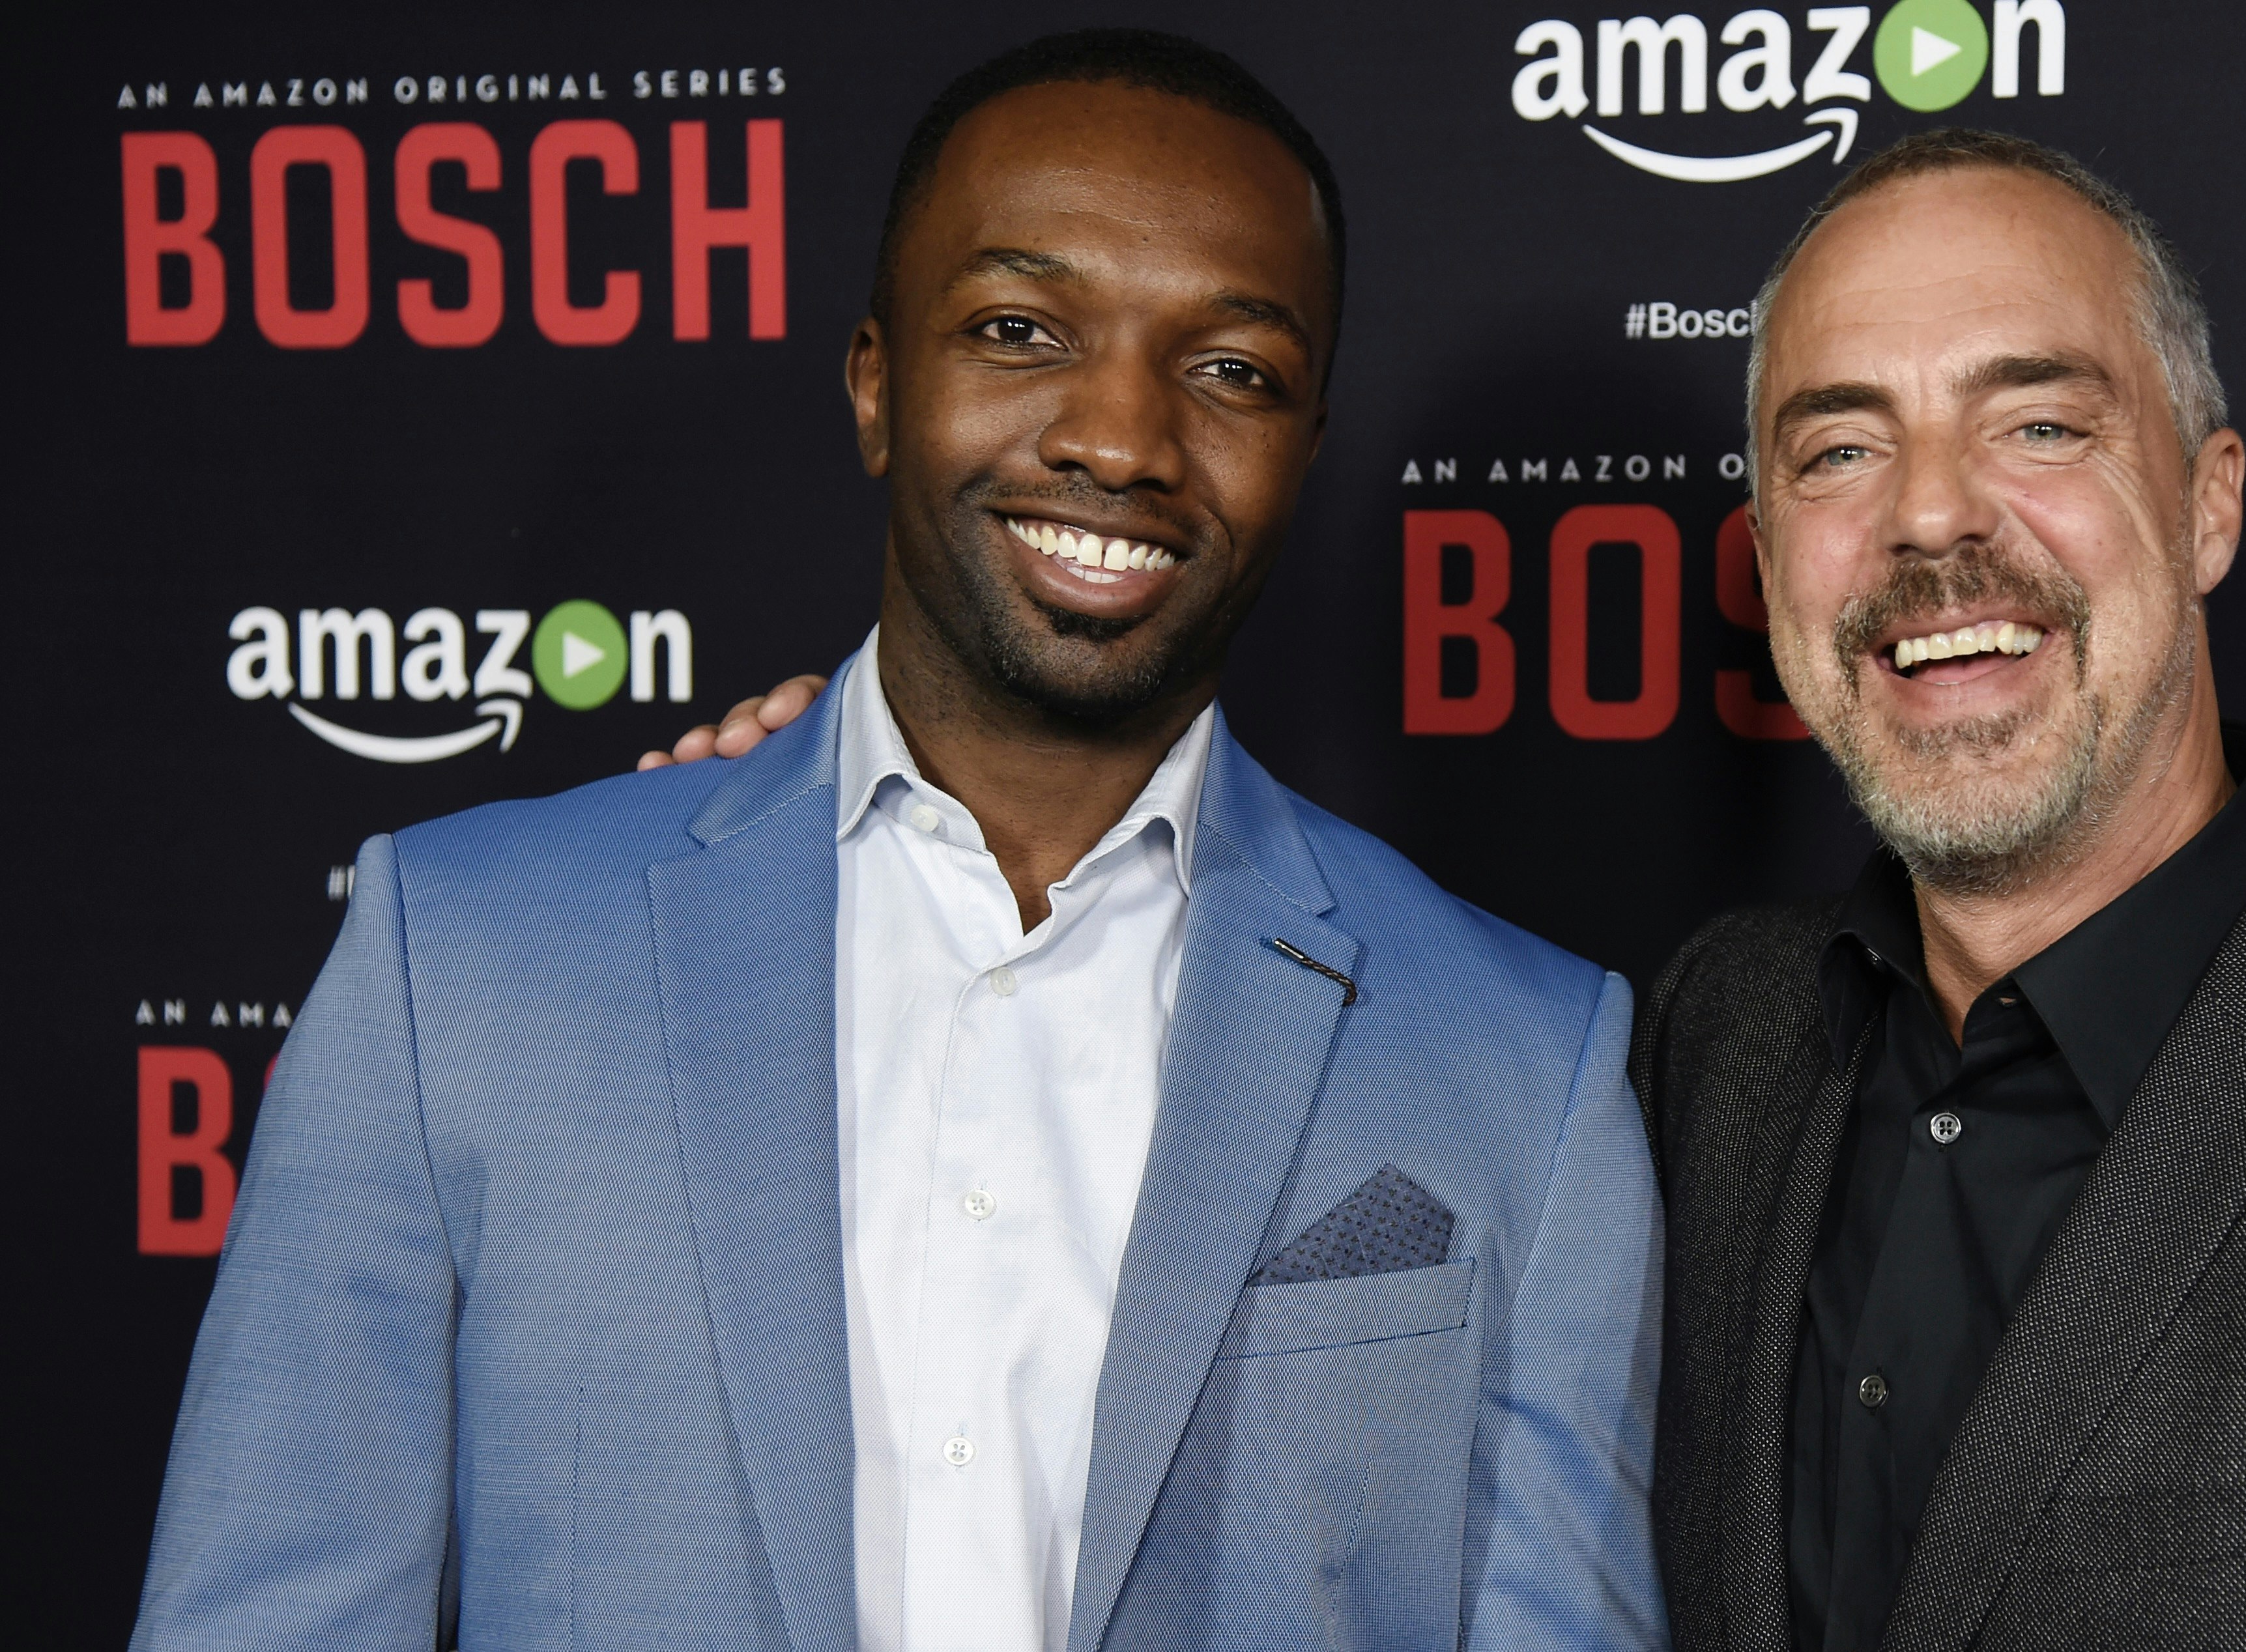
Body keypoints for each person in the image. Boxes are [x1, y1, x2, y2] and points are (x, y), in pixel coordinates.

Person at [678, 130, 2246, 1647]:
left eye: (2036, 423)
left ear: (2205, 502)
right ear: (1771, 555)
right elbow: (1210, 1083)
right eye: (1838, 446)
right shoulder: (1689, 1046)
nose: (1936, 527)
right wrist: (893, 808)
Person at [132, 31, 1663, 1652]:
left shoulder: (1527, 1059)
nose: (1121, 439)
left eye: (1231, 370)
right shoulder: (454, 958)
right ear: (877, 383)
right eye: (1020, 331)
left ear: (1305, 448)